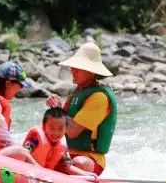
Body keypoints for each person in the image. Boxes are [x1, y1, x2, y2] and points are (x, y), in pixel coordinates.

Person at [45, 41, 117, 175]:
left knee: (78, 163)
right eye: (73, 67)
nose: (72, 70)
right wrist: (56, 109)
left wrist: (58, 111)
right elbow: (61, 124)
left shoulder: (99, 97)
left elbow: (72, 131)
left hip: (90, 159)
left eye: (78, 67)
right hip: (67, 152)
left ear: (91, 71)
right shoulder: (76, 92)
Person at [0, 108, 96, 176]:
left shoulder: (62, 145)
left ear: (66, 129)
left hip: (44, 175)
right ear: (44, 126)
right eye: (52, 128)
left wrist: (87, 174)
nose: (55, 133)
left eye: (60, 129)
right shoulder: (35, 139)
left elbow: (68, 167)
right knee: (19, 152)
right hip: (29, 171)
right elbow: (24, 153)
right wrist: (40, 171)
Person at [0, 61, 33, 150]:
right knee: (22, 152)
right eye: (20, 85)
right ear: (8, 83)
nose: (21, 89)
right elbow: (6, 143)